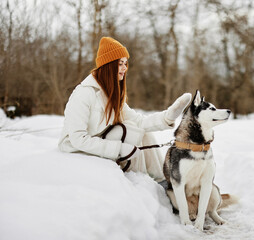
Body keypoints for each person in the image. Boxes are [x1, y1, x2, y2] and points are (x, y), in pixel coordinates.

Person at [58, 36, 191, 182]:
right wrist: (119, 149)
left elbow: (139, 121)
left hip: (99, 139)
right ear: (109, 65)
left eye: (126, 63)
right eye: (120, 64)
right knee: (130, 133)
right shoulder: (84, 93)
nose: (124, 68)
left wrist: (167, 117)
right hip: (77, 148)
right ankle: (140, 182)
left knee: (143, 133)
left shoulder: (111, 95)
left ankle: (161, 180)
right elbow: (78, 139)